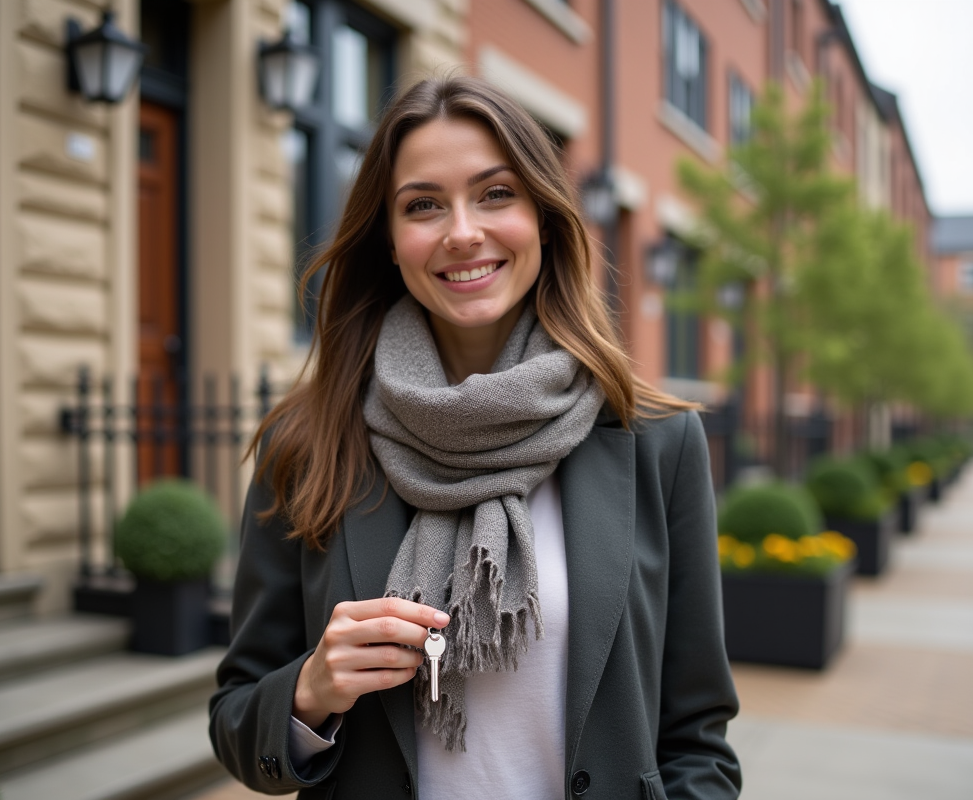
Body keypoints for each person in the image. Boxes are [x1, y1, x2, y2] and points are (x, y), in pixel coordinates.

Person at [209, 75, 741, 800]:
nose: (462, 232)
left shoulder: (657, 440)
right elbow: (236, 720)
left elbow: (697, 742)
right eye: (423, 205)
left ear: (544, 218)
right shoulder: (309, 445)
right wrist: (310, 691)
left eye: (495, 194)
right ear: (389, 240)